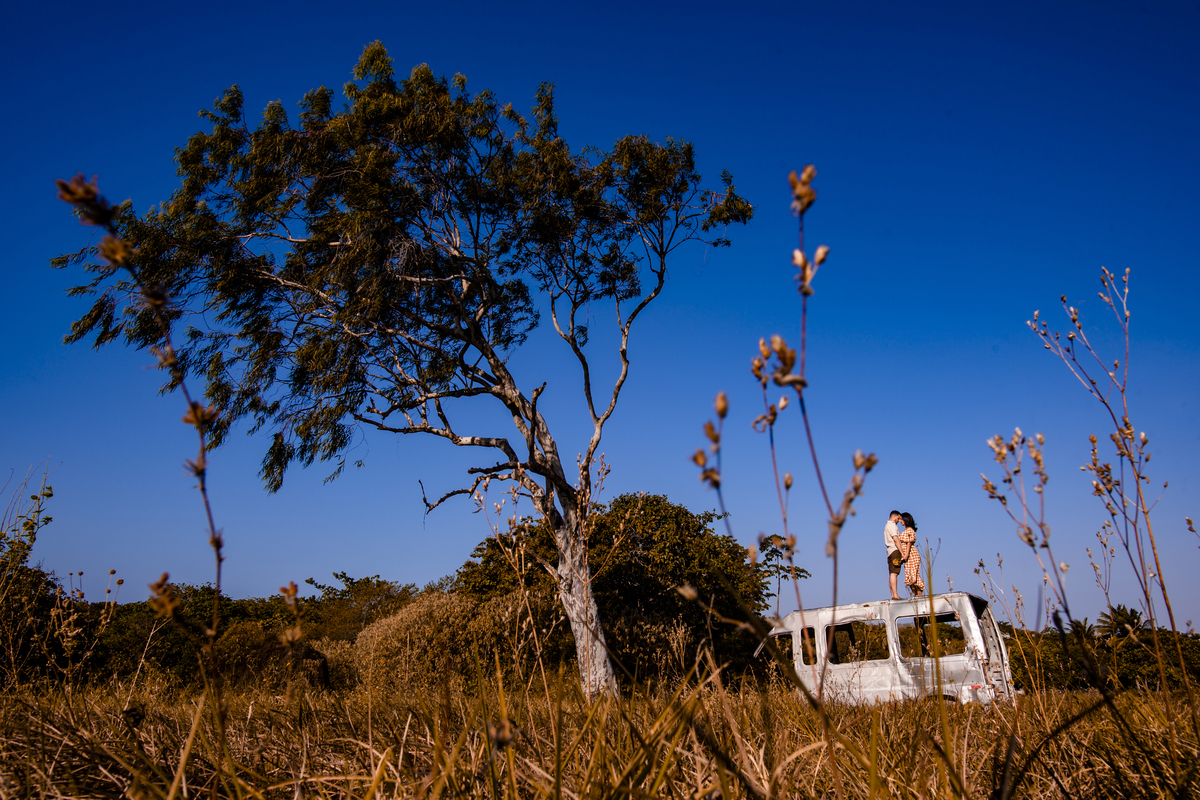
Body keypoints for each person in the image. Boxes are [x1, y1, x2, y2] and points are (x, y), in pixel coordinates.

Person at [898, 512, 925, 596]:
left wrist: (906, 554)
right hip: (908, 554)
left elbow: (909, 543)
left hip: (911, 554)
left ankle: (919, 594)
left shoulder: (909, 530)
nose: (900, 521)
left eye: (901, 519)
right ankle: (916, 594)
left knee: (913, 574)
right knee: (910, 574)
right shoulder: (906, 530)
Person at [884, 510, 904, 599]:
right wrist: (902, 552)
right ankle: (895, 595)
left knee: (892, 573)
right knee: (894, 573)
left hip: (890, 551)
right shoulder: (892, 526)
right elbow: (896, 539)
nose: (898, 521)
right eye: (898, 518)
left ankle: (893, 594)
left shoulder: (887, 525)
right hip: (894, 550)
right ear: (894, 517)